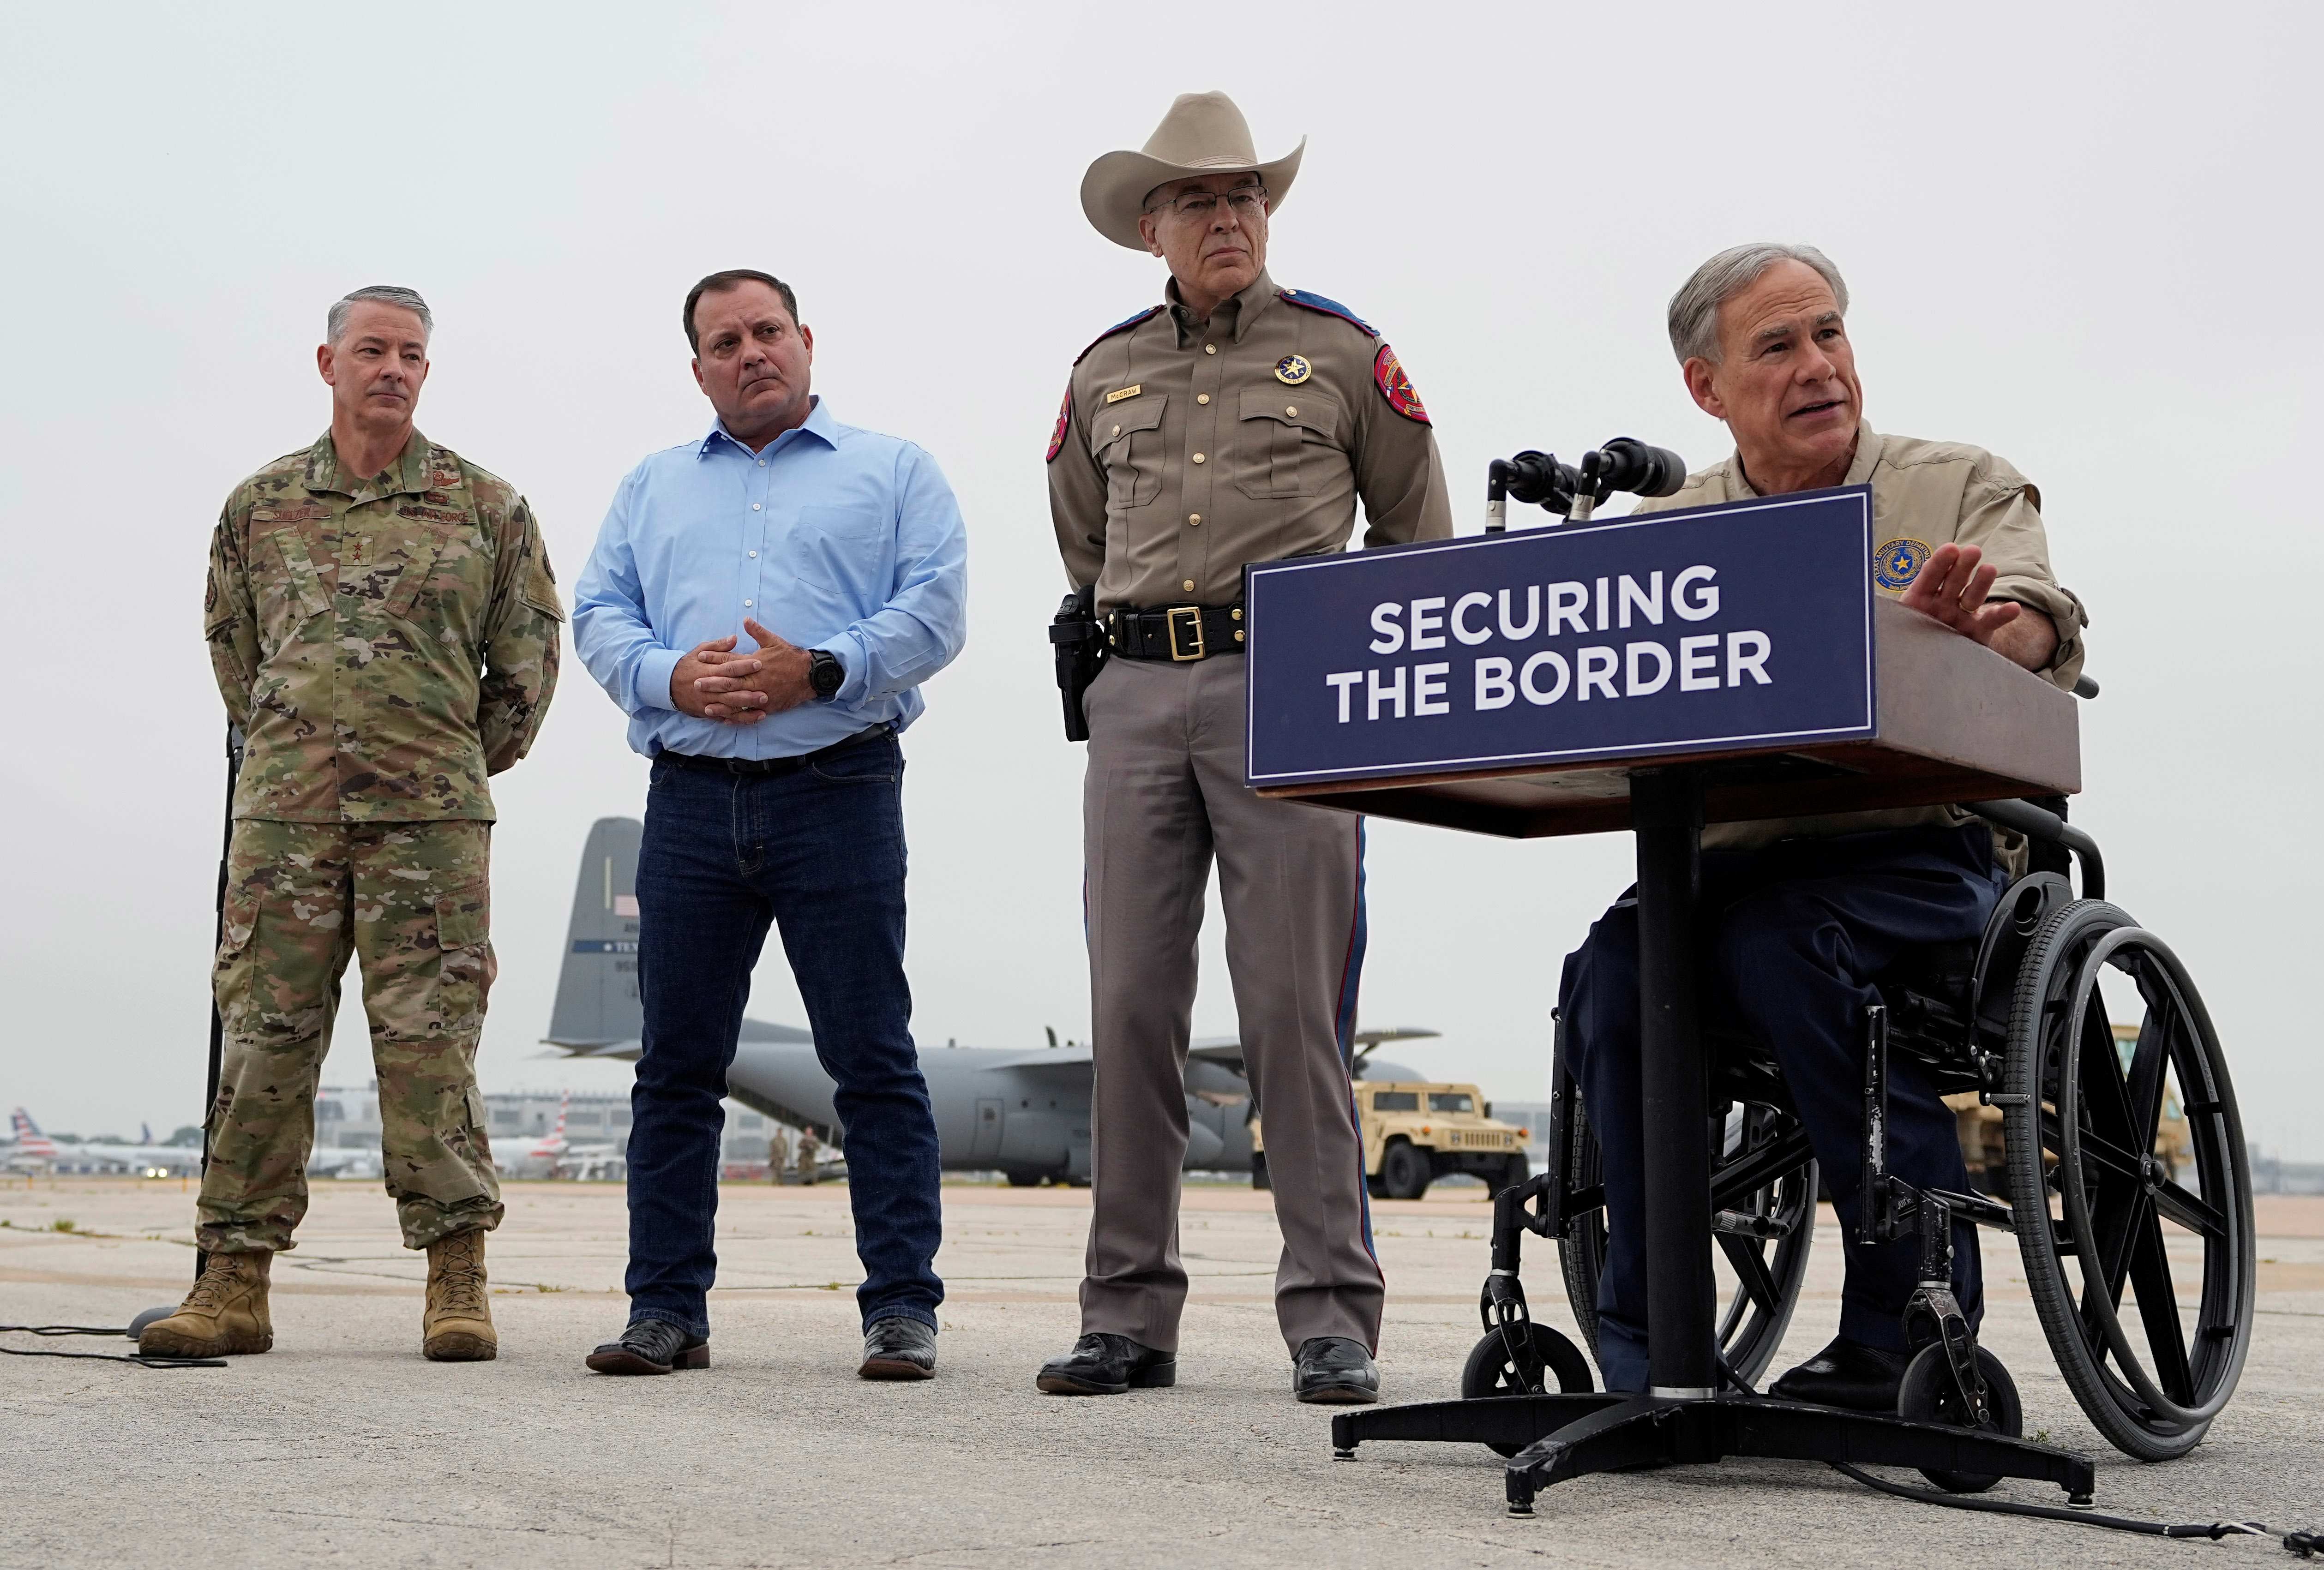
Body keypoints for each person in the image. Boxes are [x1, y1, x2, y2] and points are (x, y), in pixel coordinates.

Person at [1562, 242, 2088, 1406]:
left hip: (1922, 853)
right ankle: (1655, 1357)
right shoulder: (1669, 527)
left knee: (1778, 945)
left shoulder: (1955, 483)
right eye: (1778, 346)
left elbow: (2038, 619)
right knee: (1610, 969)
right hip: (1730, 860)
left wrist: (1982, 638)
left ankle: (1904, 1325)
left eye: (1830, 334)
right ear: (1706, 388)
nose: (1819, 367)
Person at [1038, 92, 1452, 1406]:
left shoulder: (1342, 356)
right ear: (1150, 226)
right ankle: (1127, 1316)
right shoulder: (1101, 372)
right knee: (1130, 1011)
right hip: (1138, 699)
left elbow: (1418, 541)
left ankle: (1331, 1314)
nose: (1229, 218)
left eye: (1246, 196)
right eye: (1201, 201)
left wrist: (1357, 685)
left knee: (1292, 1013)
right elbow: (1083, 540)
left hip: (1294, 699)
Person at [142, 285, 563, 1363]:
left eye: (412, 355)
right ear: (326, 363)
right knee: (264, 1042)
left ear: (428, 371)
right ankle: (233, 1279)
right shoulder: (261, 505)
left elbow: (523, 675)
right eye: (371, 350)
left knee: (431, 1049)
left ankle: (456, 1280)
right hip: (284, 824)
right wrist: (306, 751)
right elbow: (237, 655)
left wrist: (435, 757)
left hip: (430, 827)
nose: (392, 369)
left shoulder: (486, 509)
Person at [573, 269, 967, 1381]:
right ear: (696, 367)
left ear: (807, 341)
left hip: (837, 789)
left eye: (767, 332)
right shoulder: (651, 487)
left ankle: (901, 1308)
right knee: (676, 1067)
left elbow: (934, 609)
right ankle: (666, 1310)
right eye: (723, 341)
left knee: (870, 1058)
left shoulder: (892, 471)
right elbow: (599, 612)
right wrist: (667, 679)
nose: (750, 352)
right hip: (691, 801)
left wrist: (822, 670)